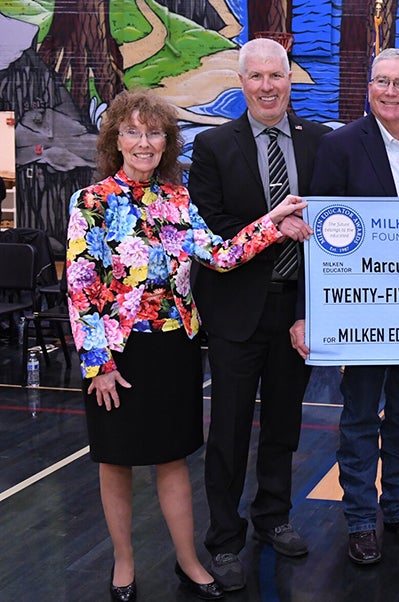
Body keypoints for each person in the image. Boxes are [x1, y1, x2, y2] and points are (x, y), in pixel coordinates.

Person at [66, 90, 307, 602]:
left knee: (174, 458)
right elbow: (80, 288)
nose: (144, 142)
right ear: (116, 140)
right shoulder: (92, 201)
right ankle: (124, 564)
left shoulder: (177, 199)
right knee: (116, 461)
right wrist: (97, 366)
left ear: (167, 143)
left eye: (154, 133)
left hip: (175, 348)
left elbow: (220, 256)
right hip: (117, 355)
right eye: (132, 132)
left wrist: (273, 223)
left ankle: (189, 560)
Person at [295, 47, 399, 565]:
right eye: (381, 81)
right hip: (361, 308)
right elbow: (319, 238)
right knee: (361, 414)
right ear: (369, 88)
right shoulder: (340, 146)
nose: (390, 91)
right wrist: (312, 311)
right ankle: (361, 519)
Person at [188, 37, 330, 591]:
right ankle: (224, 538)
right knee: (227, 430)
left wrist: (309, 311)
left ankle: (273, 517)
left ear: (289, 80)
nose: (268, 86)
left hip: (295, 310)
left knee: (284, 425)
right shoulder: (213, 148)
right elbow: (211, 231)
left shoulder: (320, 143)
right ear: (241, 81)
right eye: (257, 77)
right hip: (235, 311)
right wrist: (272, 225)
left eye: (277, 76)